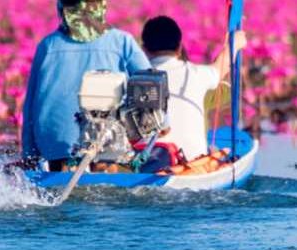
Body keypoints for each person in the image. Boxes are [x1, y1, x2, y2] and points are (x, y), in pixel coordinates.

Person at [21, 0, 152, 172]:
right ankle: (104, 168)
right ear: (101, 7)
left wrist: (29, 153)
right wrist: (162, 124)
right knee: (106, 172)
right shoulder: (121, 42)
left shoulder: (48, 45)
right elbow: (150, 84)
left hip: (56, 137)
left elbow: (30, 103)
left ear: (63, 10)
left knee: (59, 180)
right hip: (105, 134)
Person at [139, 16, 245, 172]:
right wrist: (234, 44)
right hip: (194, 166)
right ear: (180, 48)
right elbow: (223, 65)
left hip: (148, 167)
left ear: (144, 50)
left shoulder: (132, 80)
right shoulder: (197, 74)